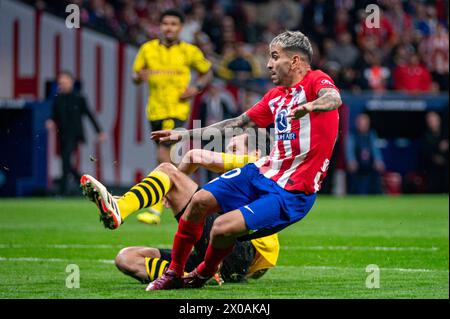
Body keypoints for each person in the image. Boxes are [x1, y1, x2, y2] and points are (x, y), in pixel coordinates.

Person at [147, 30, 342, 290]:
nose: (269, 64)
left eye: (274, 57)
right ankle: (174, 272)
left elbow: (334, 98)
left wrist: (312, 106)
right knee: (199, 201)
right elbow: (236, 123)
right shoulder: (275, 97)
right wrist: (184, 134)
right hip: (262, 173)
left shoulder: (316, 81)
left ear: (295, 61)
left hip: (292, 192)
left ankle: (201, 275)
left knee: (221, 228)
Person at [80, 133, 279, 284]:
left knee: (167, 169)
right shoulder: (243, 181)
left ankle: (121, 206)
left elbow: (194, 156)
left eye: (234, 150)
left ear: (256, 153)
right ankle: (194, 276)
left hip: (238, 251)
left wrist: (170, 185)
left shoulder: (255, 165)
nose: (227, 155)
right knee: (126, 258)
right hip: (228, 258)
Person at [132, 9, 213, 225]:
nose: (169, 27)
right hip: (155, 111)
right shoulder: (147, 49)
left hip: (176, 110)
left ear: (180, 27)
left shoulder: (189, 51)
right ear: (160, 26)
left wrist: (195, 87)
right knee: (173, 160)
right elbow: (135, 75)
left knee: (163, 156)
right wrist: (139, 77)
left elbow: (207, 71)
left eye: (174, 24)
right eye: (166, 23)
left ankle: (156, 208)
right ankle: (187, 199)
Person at [45, 71, 106, 195]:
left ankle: (63, 191)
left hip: (74, 134)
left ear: (71, 82)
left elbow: (89, 115)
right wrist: (51, 121)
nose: (62, 84)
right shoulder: (58, 98)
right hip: (62, 134)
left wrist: (99, 132)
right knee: (65, 162)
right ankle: (85, 182)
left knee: (66, 159)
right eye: (60, 82)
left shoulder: (78, 97)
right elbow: (54, 115)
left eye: (64, 82)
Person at [346, 113, 385, 195]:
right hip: (357, 164)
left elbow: (375, 150)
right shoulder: (352, 135)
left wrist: (378, 161)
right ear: (357, 123)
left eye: (365, 123)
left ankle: (377, 195)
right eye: (361, 123)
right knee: (352, 172)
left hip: (369, 164)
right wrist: (351, 161)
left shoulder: (371, 134)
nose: (363, 125)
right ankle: (353, 196)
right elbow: (350, 150)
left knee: (377, 171)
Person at [421, 111, 449, 193]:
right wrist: (434, 157)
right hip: (433, 168)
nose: (431, 122)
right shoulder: (426, 136)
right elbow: (425, 152)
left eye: (433, 120)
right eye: (429, 120)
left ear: (439, 120)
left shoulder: (446, 133)